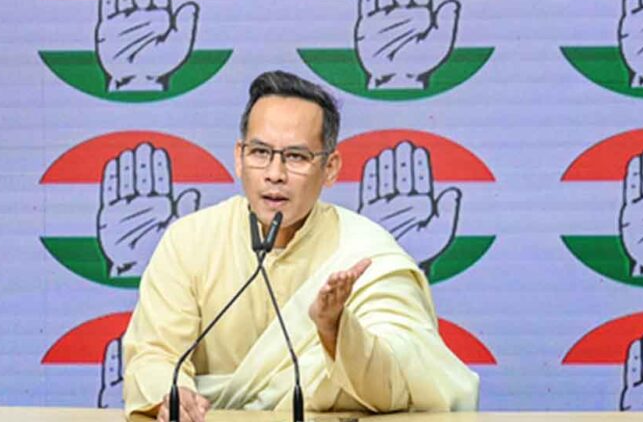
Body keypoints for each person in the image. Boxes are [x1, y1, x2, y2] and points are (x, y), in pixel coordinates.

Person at [122, 70, 479, 421]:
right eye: (260, 152)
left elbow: (405, 379)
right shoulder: (191, 240)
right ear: (239, 157)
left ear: (331, 168)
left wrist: (336, 331)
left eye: (296, 157)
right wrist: (172, 394)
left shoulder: (366, 254)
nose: (274, 173)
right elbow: (154, 354)